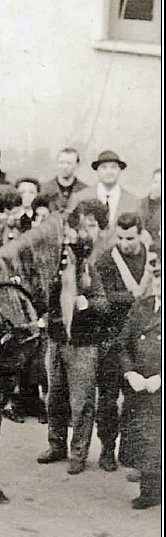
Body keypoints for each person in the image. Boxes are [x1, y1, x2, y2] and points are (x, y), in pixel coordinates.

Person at [38, 199, 112, 475]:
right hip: (57, 340)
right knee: (54, 396)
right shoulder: (57, 267)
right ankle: (56, 444)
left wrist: (87, 304)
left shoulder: (89, 270)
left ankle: (78, 453)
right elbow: (47, 299)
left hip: (83, 345)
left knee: (81, 402)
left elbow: (104, 304)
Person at [91, 212, 153, 472]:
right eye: (120, 237)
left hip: (143, 339)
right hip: (112, 338)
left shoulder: (151, 260)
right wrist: (135, 296)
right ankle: (107, 449)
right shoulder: (107, 260)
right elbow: (104, 298)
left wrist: (128, 297)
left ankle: (137, 454)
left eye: (130, 237)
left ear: (140, 234)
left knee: (139, 399)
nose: (125, 243)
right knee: (107, 398)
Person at [116, 247, 162, 508]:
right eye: (157, 278)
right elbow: (123, 343)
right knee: (144, 435)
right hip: (141, 384)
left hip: (159, 386)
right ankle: (150, 483)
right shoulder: (142, 308)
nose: (160, 285)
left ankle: (153, 488)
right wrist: (129, 371)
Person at [70, 151, 139, 239]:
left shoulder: (131, 200)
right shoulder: (80, 197)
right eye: (104, 167)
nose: (109, 171)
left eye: (113, 167)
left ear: (119, 170)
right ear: (97, 171)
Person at [38, 147, 90, 214]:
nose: (65, 166)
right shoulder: (43, 189)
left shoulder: (85, 191)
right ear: (57, 164)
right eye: (61, 163)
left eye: (69, 163)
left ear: (77, 165)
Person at [142, 168, 162, 244]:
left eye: (161, 183)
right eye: (155, 182)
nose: (158, 186)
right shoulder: (140, 203)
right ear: (151, 183)